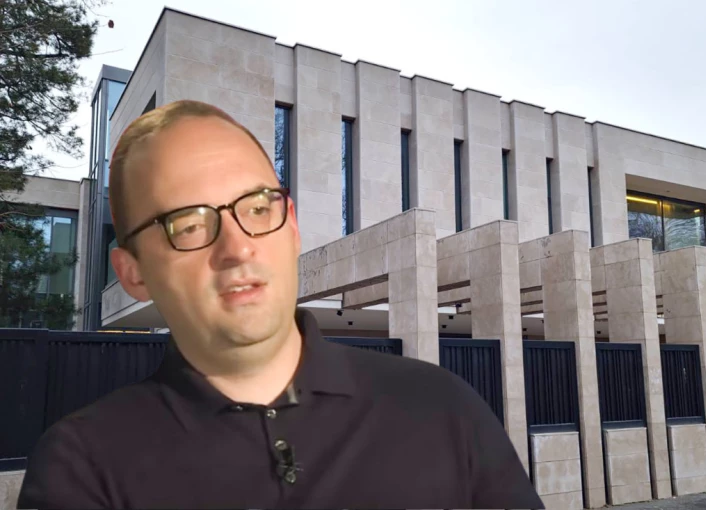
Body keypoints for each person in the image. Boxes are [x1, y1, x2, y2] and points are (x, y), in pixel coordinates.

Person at [17, 100, 543, 509]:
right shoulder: (83, 468)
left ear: (291, 225)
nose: (237, 247)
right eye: (188, 224)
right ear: (132, 272)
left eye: (256, 208)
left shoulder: (441, 407)